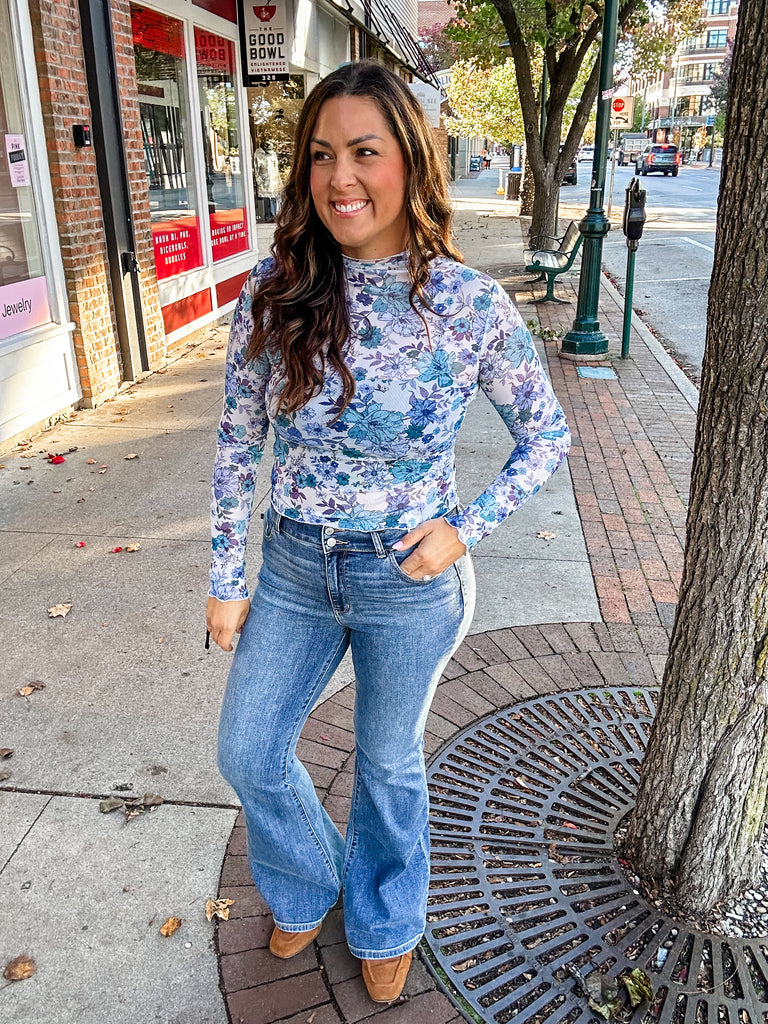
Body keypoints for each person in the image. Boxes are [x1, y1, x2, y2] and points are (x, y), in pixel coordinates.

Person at [207, 60, 570, 1004]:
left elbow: (546, 434)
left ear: (409, 162)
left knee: (388, 762)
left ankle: (385, 915)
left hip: (405, 575)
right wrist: (226, 572)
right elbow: (239, 436)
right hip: (291, 562)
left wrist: (465, 527)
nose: (341, 179)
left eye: (365, 152)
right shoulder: (277, 285)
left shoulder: (466, 303)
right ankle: (309, 880)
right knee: (248, 750)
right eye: (322, 156)